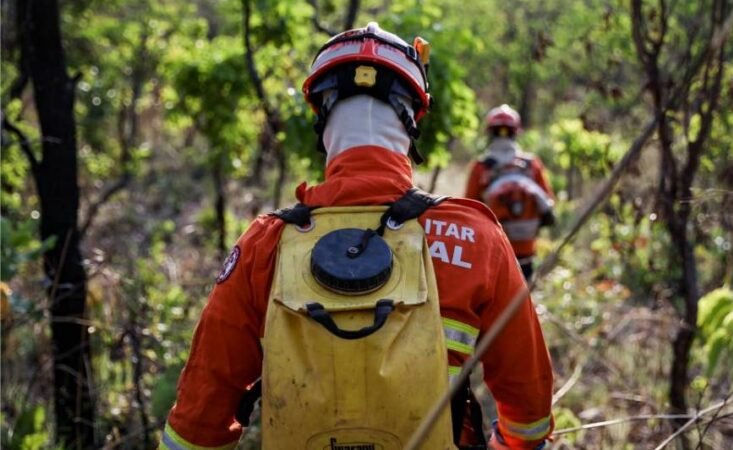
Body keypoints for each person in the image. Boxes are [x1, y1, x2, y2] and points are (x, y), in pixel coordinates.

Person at [159, 23, 553, 450]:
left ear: (320, 114)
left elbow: (197, 424)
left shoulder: (264, 245)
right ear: (413, 119)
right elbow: (528, 415)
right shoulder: (475, 237)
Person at [465, 105, 556, 280]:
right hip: (526, 250)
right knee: (523, 293)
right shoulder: (532, 164)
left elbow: (469, 209)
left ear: (490, 132)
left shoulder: (481, 167)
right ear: (516, 132)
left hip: (493, 249)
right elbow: (548, 203)